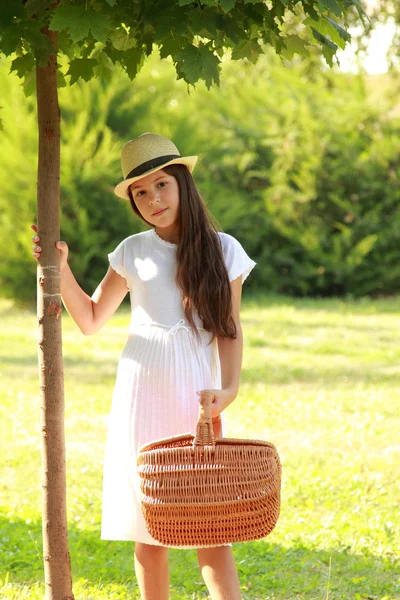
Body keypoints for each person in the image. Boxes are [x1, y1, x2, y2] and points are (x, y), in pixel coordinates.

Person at [31, 132, 256, 600]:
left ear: (183, 183)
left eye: (161, 185)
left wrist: (229, 390)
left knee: (209, 518)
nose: (153, 198)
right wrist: (60, 269)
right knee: (149, 520)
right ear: (133, 201)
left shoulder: (223, 249)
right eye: (140, 192)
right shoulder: (132, 251)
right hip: (140, 392)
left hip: (197, 396)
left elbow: (229, 329)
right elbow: (91, 320)